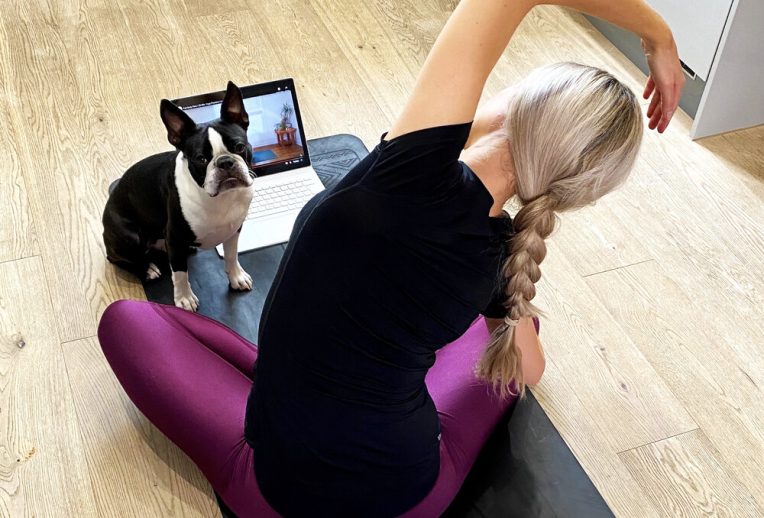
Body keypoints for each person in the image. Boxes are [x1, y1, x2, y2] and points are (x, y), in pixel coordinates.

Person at [98, 0, 684, 516]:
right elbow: (529, 371)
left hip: (273, 489)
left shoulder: (407, 165)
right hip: (407, 489)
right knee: (507, 339)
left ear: (518, 106)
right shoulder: (500, 258)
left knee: (125, 320)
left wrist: (657, 33)